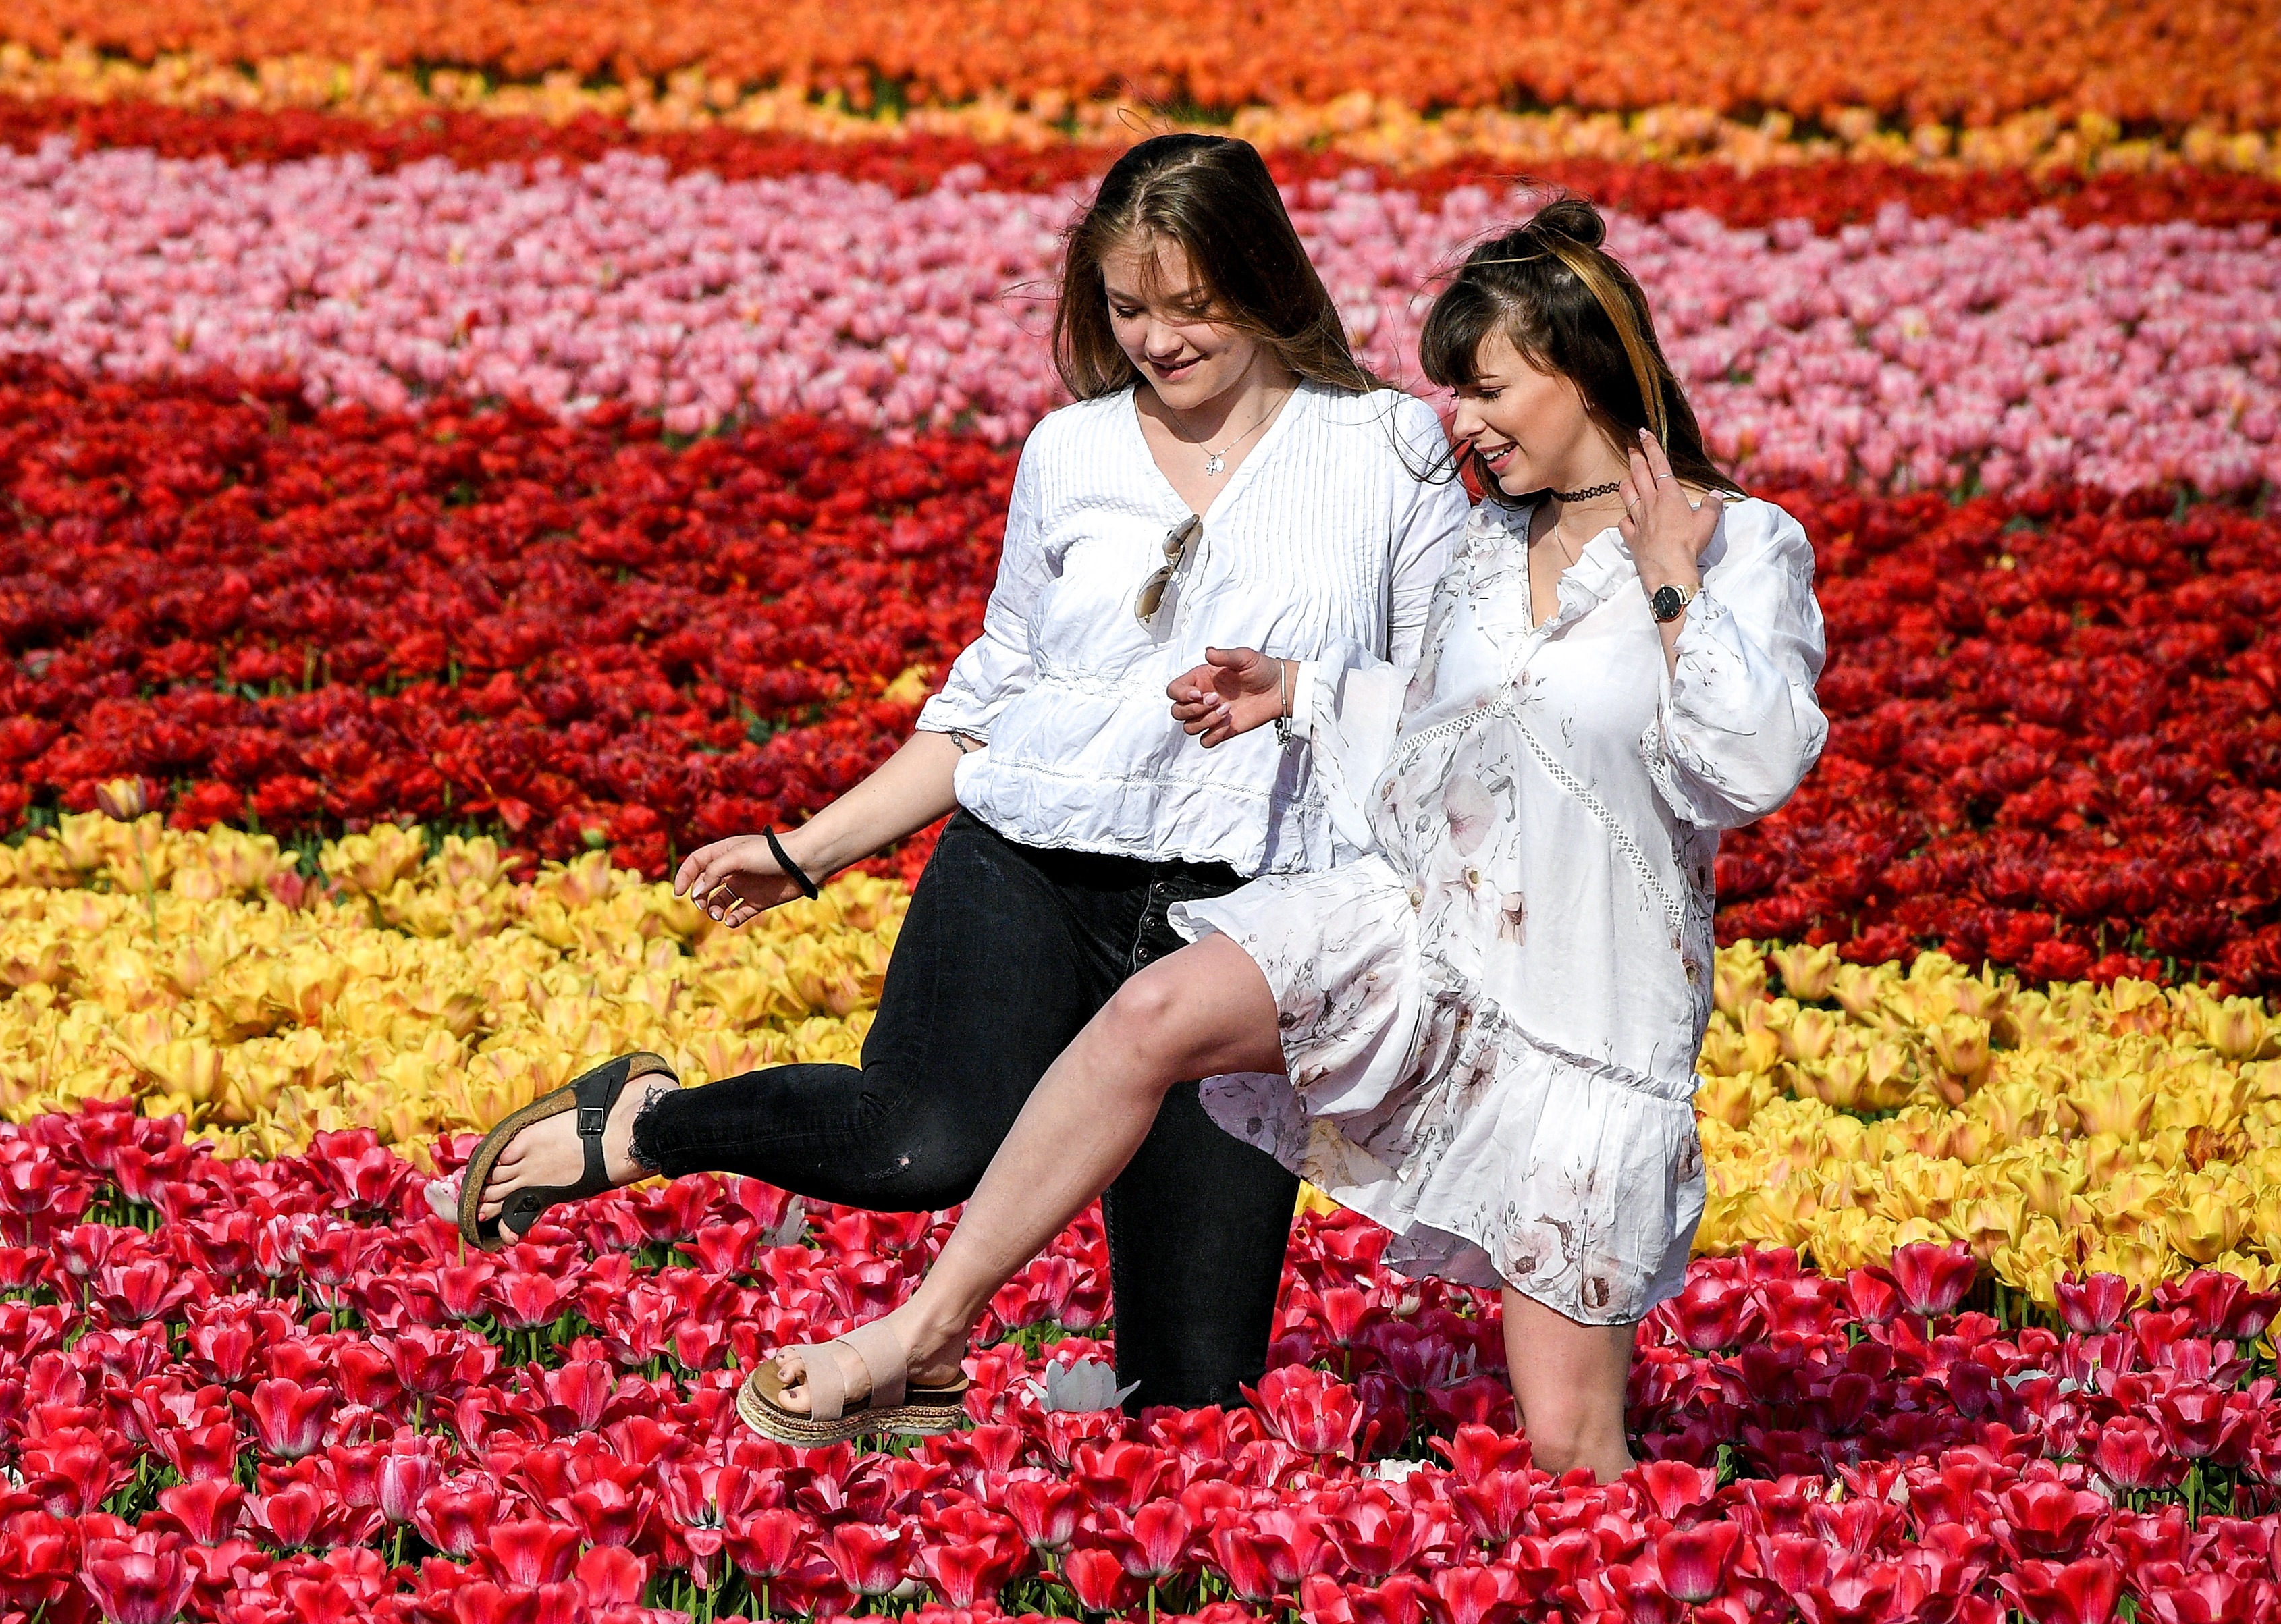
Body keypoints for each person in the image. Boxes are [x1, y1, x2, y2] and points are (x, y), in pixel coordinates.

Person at [742, 197, 1829, 1472]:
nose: (1459, 423)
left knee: (1573, 1454)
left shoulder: (1742, 544)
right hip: (1419, 936)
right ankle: (918, 1336)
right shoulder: (1486, 546)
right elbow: (1440, 732)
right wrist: (1302, 691)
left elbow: (1750, 765)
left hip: (1580, 1024)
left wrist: (1668, 581)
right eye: (1452, 392)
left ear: (1583, 369)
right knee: (1154, 1013)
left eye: (1484, 389)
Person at [431, 133, 1468, 1413]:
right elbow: (988, 708)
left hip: (1248, 918)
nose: (1159, 338)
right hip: (1035, 867)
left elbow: (1439, 704)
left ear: (1264, 280)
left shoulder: (1389, 455)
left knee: (1197, 1390)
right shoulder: (1071, 454)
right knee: (922, 1141)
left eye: (1191, 304)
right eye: (1129, 308)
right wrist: (805, 851)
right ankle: (645, 1123)